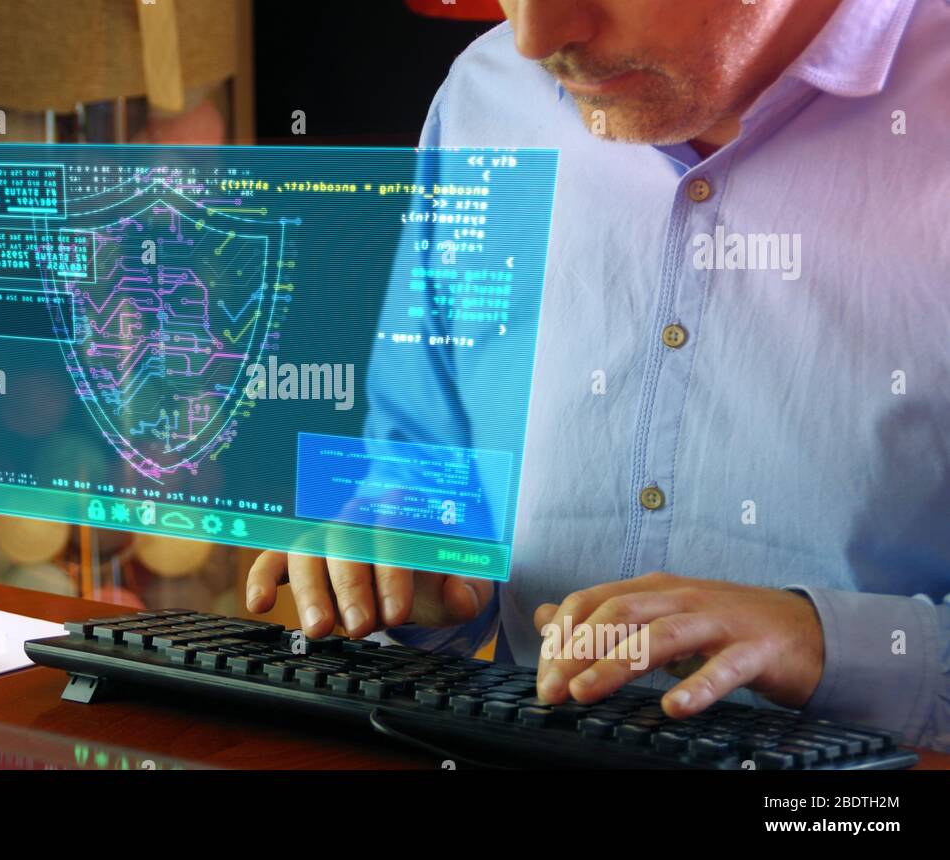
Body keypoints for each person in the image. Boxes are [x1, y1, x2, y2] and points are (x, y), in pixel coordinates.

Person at [246, 0, 950, 750]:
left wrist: (823, 643)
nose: (533, 37)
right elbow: (417, 471)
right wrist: (401, 564)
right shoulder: (483, 95)